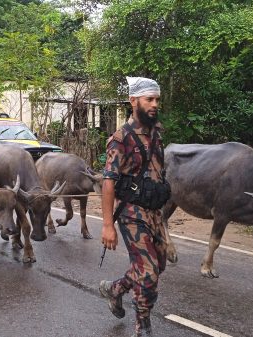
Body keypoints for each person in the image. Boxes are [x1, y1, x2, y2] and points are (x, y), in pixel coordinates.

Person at [99, 77, 170, 337]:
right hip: (131, 213)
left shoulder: (156, 133)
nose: (154, 105)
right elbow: (108, 183)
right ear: (133, 101)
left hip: (154, 212)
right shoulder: (121, 139)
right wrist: (108, 225)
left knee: (157, 265)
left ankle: (115, 289)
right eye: (149, 99)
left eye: (157, 100)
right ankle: (143, 325)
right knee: (149, 273)